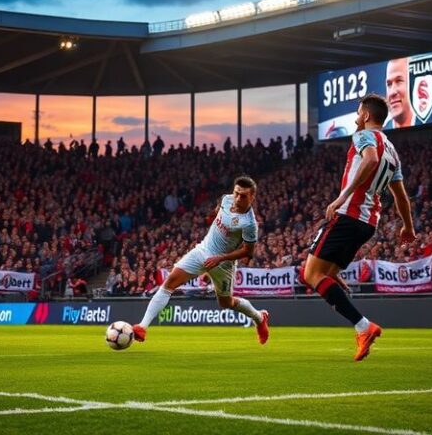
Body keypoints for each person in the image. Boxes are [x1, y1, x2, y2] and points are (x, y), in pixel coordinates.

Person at [303, 94, 415, 361]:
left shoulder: (364, 136)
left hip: (348, 215)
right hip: (368, 223)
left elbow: (371, 159)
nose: (356, 117)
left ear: (365, 115)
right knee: (326, 275)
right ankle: (359, 322)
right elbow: (401, 197)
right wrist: (408, 227)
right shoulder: (393, 152)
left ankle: (364, 327)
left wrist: (342, 196)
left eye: (357, 112)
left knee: (310, 274)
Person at [132, 176, 270, 344]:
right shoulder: (226, 199)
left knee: (226, 303)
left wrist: (220, 258)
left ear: (252, 197)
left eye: (243, 195)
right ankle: (142, 327)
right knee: (170, 282)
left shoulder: (249, 224)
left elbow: (248, 252)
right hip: (203, 250)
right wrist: (212, 217)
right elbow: (218, 210)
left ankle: (259, 318)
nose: (238, 198)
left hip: (223, 264)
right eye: (236, 193)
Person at [384, 57, 432, 129]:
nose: (392, 92)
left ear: (413, 82)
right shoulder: (383, 132)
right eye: (389, 84)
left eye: (399, 81)